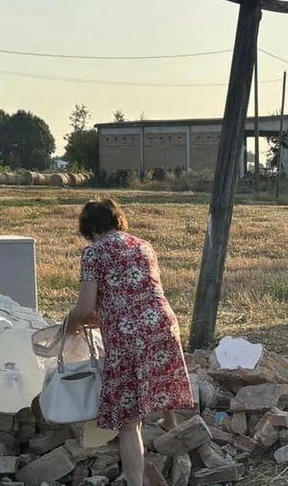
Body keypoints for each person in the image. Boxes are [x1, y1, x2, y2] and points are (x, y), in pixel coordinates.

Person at [66, 197, 193, 486]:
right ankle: (172, 428)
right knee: (160, 379)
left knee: (128, 421)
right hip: (163, 324)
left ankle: (135, 482)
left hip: (128, 338)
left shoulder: (94, 253)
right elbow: (134, 294)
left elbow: (85, 310)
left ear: (91, 229)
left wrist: (70, 323)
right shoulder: (143, 244)